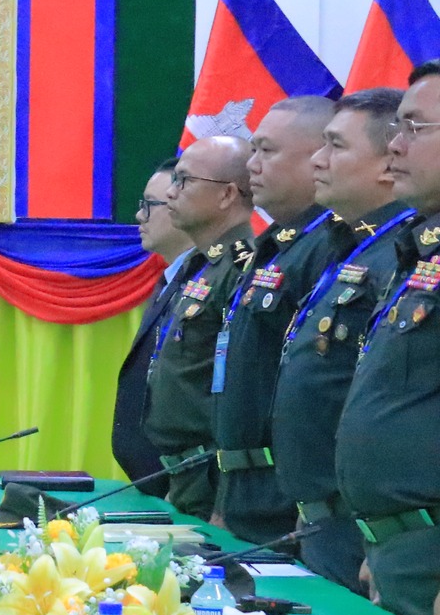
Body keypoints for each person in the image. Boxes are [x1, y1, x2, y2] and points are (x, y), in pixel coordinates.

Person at [273, 89, 407, 592]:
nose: (318, 160)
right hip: (325, 516)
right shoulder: (351, 248)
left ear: (387, 164)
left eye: (336, 145)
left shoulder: (397, 256)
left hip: (364, 522)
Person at [338, 64, 440, 615]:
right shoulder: (418, 252)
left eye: (415, 128)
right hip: (402, 549)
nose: (395, 145)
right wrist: (380, 540)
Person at [213, 97, 339, 542]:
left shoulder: (330, 246)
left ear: (318, 157)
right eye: (253, 150)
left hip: (284, 495)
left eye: (267, 150)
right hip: (242, 485)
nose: (252, 165)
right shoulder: (275, 246)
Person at [144, 134, 255, 520]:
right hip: (185, 474)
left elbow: (241, 390)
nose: (171, 192)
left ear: (226, 195)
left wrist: (223, 501)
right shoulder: (200, 266)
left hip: (215, 478)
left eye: (184, 181)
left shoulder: (242, 269)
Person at [113, 160, 193, 494]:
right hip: (159, 483)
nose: (139, 216)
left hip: (190, 482)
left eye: (150, 205)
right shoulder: (172, 279)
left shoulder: (216, 280)